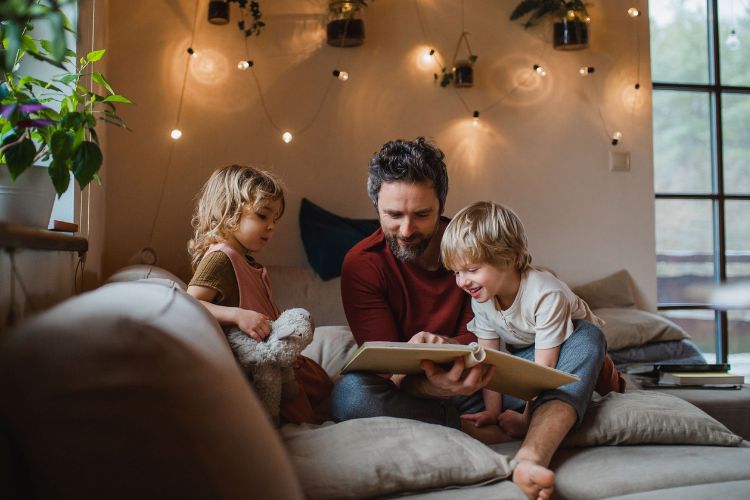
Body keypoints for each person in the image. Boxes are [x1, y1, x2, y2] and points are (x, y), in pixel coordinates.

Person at [332, 138, 623, 500]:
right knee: (350, 394)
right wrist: (438, 383)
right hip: (423, 393)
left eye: (422, 214)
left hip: (498, 378)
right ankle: (487, 432)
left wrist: (463, 359)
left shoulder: (477, 245)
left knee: (585, 336)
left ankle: (532, 453)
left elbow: (518, 339)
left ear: (441, 204)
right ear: (376, 205)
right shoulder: (362, 264)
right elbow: (388, 376)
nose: (406, 230)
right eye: (393, 215)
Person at [441, 201, 625, 441]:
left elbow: (542, 371)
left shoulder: (545, 294)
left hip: (575, 350)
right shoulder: (481, 297)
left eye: (472, 269)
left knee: (601, 381)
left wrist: (526, 420)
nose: (462, 281)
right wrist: (492, 411)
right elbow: (488, 360)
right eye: (456, 272)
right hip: (531, 352)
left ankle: (594, 391)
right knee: (472, 381)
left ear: (508, 257)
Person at [187, 164, 331, 425]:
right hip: (260, 369)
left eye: (275, 219)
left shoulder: (244, 260)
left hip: (276, 357)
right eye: (263, 216)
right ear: (226, 212)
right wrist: (237, 314)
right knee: (317, 400)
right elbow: (190, 303)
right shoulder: (221, 257)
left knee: (323, 383)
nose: (272, 226)